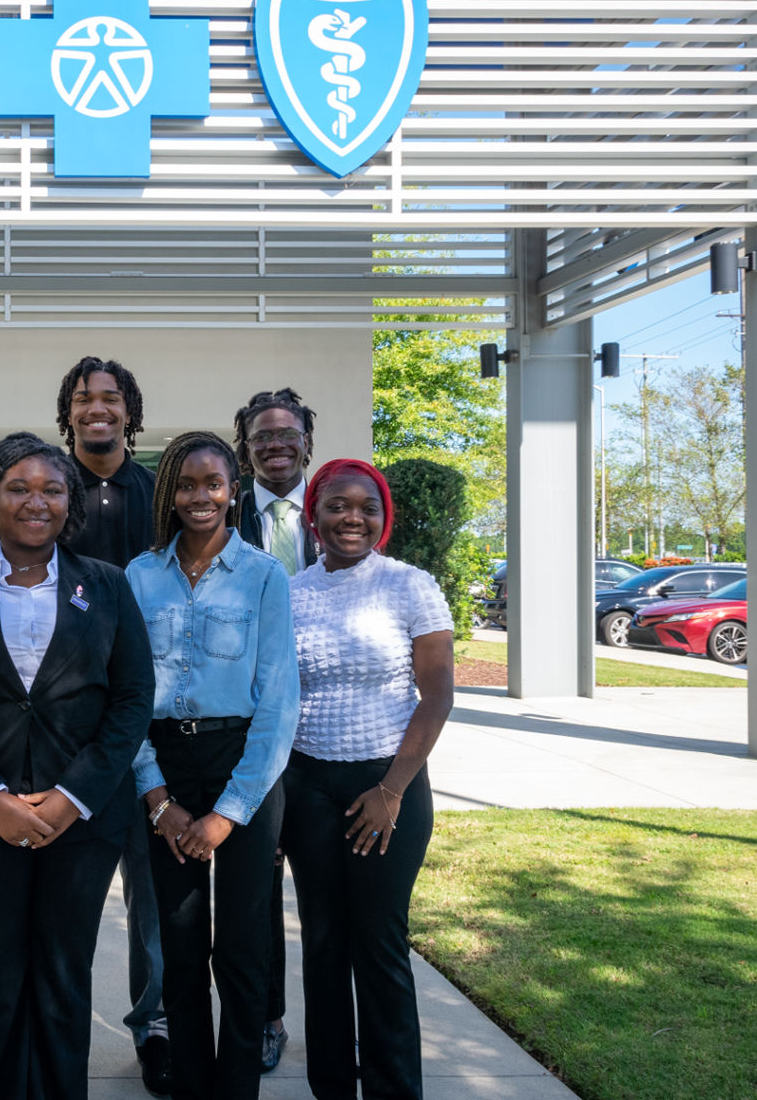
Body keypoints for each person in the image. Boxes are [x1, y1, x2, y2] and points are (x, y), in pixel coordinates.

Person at [0, 432, 155, 1100]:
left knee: (61, 976)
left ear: (69, 501)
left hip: (81, 819)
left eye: (50, 488)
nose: (34, 501)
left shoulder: (102, 585)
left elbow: (132, 700)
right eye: (16, 487)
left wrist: (71, 795)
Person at [125, 432, 300, 1100]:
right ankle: (193, 1084)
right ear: (169, 491)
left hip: (243, 763)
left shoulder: (263, 576)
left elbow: (279, 702)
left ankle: (235, 1089)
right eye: (187, 484)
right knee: (178, 939)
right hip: (167, 763)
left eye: (213, 483)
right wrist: (157, 798)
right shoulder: (140, 576)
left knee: (243, 945)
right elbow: (130, 698)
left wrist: (228, 814)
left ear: (234, 490)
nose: (200, 496)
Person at [284, 459, 455, 1100]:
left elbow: (436, 696)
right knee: (323, 944)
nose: (351, 517)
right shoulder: (292, 592)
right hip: (307, 785)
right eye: (336, 505)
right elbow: (281, 699)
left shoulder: (410, 587)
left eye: (367, 506)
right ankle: (332, 1086)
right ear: (315, 516)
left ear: (383, 519)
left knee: (379, 942)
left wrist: (391, 790)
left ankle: (392, 1088)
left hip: (389, 784)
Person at [53, 355, 171, 1095]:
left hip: (149, 713)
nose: (96, 408)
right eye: (82, 398)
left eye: (110, 398)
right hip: (63, 720)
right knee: (65, 894)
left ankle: (155, 1024)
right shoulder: (44, 483)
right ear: (66, 413)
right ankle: (57, 1025)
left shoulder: (159, 491)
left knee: (152, 889)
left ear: (129, 410)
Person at [229, 386, 319, 1073]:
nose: (275, 445)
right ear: (246, 449)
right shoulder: (218, 517)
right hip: (249, 728)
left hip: (323, 734)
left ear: (306, 444)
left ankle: (334, 1013)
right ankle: (265, 1017)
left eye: (286, 434)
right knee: (256, 887)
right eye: (261, 436)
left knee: (321, 886)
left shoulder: (340, 513)